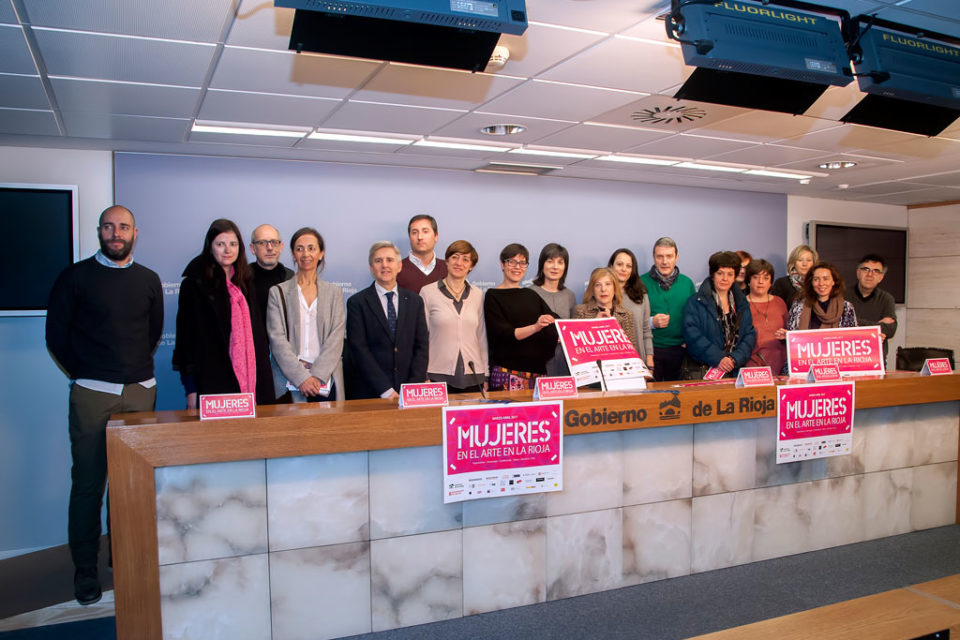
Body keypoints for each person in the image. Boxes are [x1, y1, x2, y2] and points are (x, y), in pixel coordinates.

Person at [46, 205, 163, 605]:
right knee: (89, 483)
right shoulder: (75, 277)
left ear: (134, 233)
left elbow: (152, 333)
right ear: (99, 231)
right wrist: (87, 373)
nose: (116, 233)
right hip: (93, 392)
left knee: (130, 484)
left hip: (140, 391)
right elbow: (56, 336)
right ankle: (85, 569)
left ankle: (122, 556)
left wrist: (131, 374)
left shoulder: (148, 279)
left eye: (123, 227)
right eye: (109, 227)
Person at [172, 219, 274, 408]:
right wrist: (191, 389)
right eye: (220, 244)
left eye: (233, 244)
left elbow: (258, 337)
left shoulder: (245, 282)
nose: (228, 250)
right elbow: (186, 341)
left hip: (252, 383)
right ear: (210, 247)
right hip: (212, 383)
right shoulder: (194, 284)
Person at [266, 227, 345, 403]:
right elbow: (277, 340)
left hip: (326, 381)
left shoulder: (334, 293)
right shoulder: (278, 292)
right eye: (299, 249)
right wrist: (302, 378)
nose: (305, 254)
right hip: (289, 382)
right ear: (293, 254)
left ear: (321, 253)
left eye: (311, 248)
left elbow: (336, 338)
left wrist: (316, 376)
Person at [346, 241, 429, 399]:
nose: (384, 265)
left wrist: (411, 388)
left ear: (399, 266)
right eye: (378, 261)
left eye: (390, 260)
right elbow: (359, 350)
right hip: (371, 392)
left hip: (409, 392)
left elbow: (422, 347)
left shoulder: (415, 301)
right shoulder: (357, 303)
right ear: (371, 268)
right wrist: (386, 390)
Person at [483, 243, 558, 390]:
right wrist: (535, 327)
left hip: (537, 375)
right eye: (512, 262)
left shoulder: (531, 295)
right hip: (507, 373)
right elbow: (504, 334)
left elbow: (556, 322)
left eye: (522, 263)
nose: (517, 267)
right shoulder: (493, 296)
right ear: (502, 264)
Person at [420, 240, 487, 393]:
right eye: (455, 257)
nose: (459, 263)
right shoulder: (427, 292)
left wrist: (485, 374)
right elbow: (422, 338)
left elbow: (481, 337)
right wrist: (423, 373)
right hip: (436, 375)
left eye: (465, 259)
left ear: (471, 266)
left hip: (474, 376)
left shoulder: (478, 294)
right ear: (447, 261)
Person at [682, 251, 757, 378]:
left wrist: (734, 359)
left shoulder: (742, 302)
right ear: (712, 275)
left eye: (730, 274)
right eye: (720, 273)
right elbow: (692, 335)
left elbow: (749, 334)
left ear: (735, 276)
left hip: (734, 371)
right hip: (704, 372)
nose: (725, 278)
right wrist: (718, 358)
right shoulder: (696, 302)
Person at [639, 237, 696, 382]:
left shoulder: (687, 283)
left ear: (677, 257)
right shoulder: (640, 283)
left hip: (681, 351)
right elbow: (631, 319)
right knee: (651, 393)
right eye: (660, 256)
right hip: (650, 351)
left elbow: (696, 317)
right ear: (654, 257)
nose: (664, 261)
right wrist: (651, 322)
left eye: (669, 256)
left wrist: (690, 339)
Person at [529, 243, 577, 375]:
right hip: (537, 361)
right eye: (550, 261)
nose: (555, 267)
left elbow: (574, 330)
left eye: (560, 262)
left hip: (565, 362)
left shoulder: (569, 295)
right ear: (542, 264)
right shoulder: (530, 293)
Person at [574, 267, 640, 354]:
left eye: (608, 284)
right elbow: (577, 347)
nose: (603, 289)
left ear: (615, 288)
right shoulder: (581, 311)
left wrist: (612, 325)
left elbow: (631, 350)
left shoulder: (626, 314)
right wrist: (594, 323)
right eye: (598, 285)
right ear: (592, 290)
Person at [845, 253, 898, 360]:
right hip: (848, 359)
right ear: (858, 273)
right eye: (866, 269)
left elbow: (890, 329)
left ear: (881, 277)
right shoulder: (843, 296)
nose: (870, 274)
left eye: (876, 271)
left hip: (875, 360)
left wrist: (854, 322)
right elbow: (840, 324)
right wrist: (876, 327)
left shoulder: (886, 299)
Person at [608, 248, 654, 371]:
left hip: (637, 362)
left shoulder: (641, 295)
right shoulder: (602, 295)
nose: (624, 269)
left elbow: (646, 330)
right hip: (610, 364)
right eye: (619, 264)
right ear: (611, 266)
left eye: (628, 266)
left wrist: (649, 361)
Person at [743, 259, 789, 374]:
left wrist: (786, 334)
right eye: (755, 277)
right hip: (752, 367)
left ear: (771, 282)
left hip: (781, 366)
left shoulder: (779, 302)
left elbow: (790, 331)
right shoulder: (741, 305)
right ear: (748, 281)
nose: (760, 282)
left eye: (766, 278)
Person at [787, 261, 858, 331]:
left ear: (833, 281)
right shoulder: (799, 306)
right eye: (816, 279)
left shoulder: (846, 308)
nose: (821, 283)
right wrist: (785, 335)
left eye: (826, 279)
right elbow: (792, 333)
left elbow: (852, 335)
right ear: (811, 282)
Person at [249, 224, 294, 325]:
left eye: (274, 242)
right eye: (262, 243)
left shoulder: (291, 278)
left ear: (281, 247)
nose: (269, 248)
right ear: (252, 248)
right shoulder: (241, 279)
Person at [396, 214, 447, 293]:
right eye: (414, 232)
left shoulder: (448, 268)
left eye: (425, 231)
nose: (420, 237)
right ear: (410, 237)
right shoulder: (396, 269)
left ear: (436, 236)